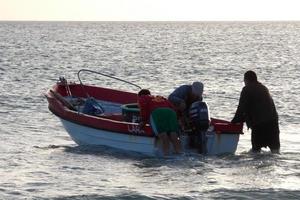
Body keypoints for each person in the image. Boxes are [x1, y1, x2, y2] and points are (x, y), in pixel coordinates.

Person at [231, 70, 280, 153]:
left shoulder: (247, 89)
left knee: (256, 152)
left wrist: (233, 123)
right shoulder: (264, 88)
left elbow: (241, 109)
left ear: (246, 80)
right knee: (275, 152)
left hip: (259, 125)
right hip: (273, 123)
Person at [137, 89, 181, 156]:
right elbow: (173, 108)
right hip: (171, 112)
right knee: (173, 134)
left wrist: (143, 121)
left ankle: (166, 155)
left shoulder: (142, 98)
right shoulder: (161, 98)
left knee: (163, 135)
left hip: (157, 112)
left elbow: (144, 110)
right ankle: (179, 153)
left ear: (140, 95)